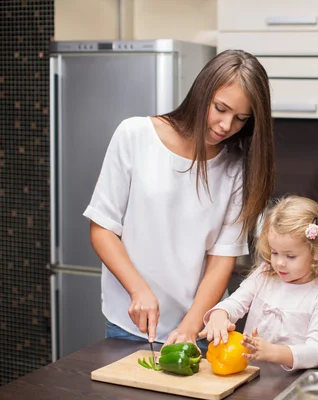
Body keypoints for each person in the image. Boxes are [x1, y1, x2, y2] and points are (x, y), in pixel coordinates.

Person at [83, 49, 275, 349]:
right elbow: (102, 229)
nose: (226, 125)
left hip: (199, 329)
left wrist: (190, 326)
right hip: (131, 325)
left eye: (240, 119)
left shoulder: (237, 167)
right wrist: (138, 290)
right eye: (220, 109)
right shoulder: (134, 135)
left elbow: (221, 260)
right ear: (202, 93)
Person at [199, 195, 318, 370]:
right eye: (274, 253)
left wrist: (272, 352)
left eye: (290, 256)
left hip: (292, 384)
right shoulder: (265, 274)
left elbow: (316, 352)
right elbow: (236, 302)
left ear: (317, 252)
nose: (280, 263)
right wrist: (220, 314)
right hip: (250, 377)